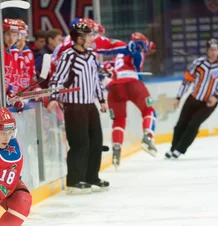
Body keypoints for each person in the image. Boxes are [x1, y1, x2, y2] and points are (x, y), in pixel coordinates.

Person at [48, 22, 108, 194]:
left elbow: (96, 80)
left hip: (90, 105)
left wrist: (102, 100)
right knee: (80, 144)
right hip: (74, 106)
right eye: (88, 36)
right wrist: (53, 97)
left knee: (96, 143)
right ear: (79, 38)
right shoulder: (69, 56)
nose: (91, 39)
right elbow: (57, 79)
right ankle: (75, 181)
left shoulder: (91, 55)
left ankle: (91, 177)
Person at [167, 38, 218, 159]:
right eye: (211, 50)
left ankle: (179, 150)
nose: (213, 52)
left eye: (215, 50)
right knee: (180, 124)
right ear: (207, 50)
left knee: (193, 124)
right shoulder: (198, 63)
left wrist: (216, 96)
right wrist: (178, 97)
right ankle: (172, 148)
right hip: (193, 98)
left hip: (209, 103)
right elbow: (186, 81)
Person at [105, 32, 158, 167]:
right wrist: (148, 46)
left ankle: (116, 149)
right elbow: (140, 54)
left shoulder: (119, 54)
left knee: (119, 119)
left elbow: (107, 66)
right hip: (132, 83)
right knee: (148, 110)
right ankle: (148, 137)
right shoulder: (137, 49)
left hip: (115, 86)